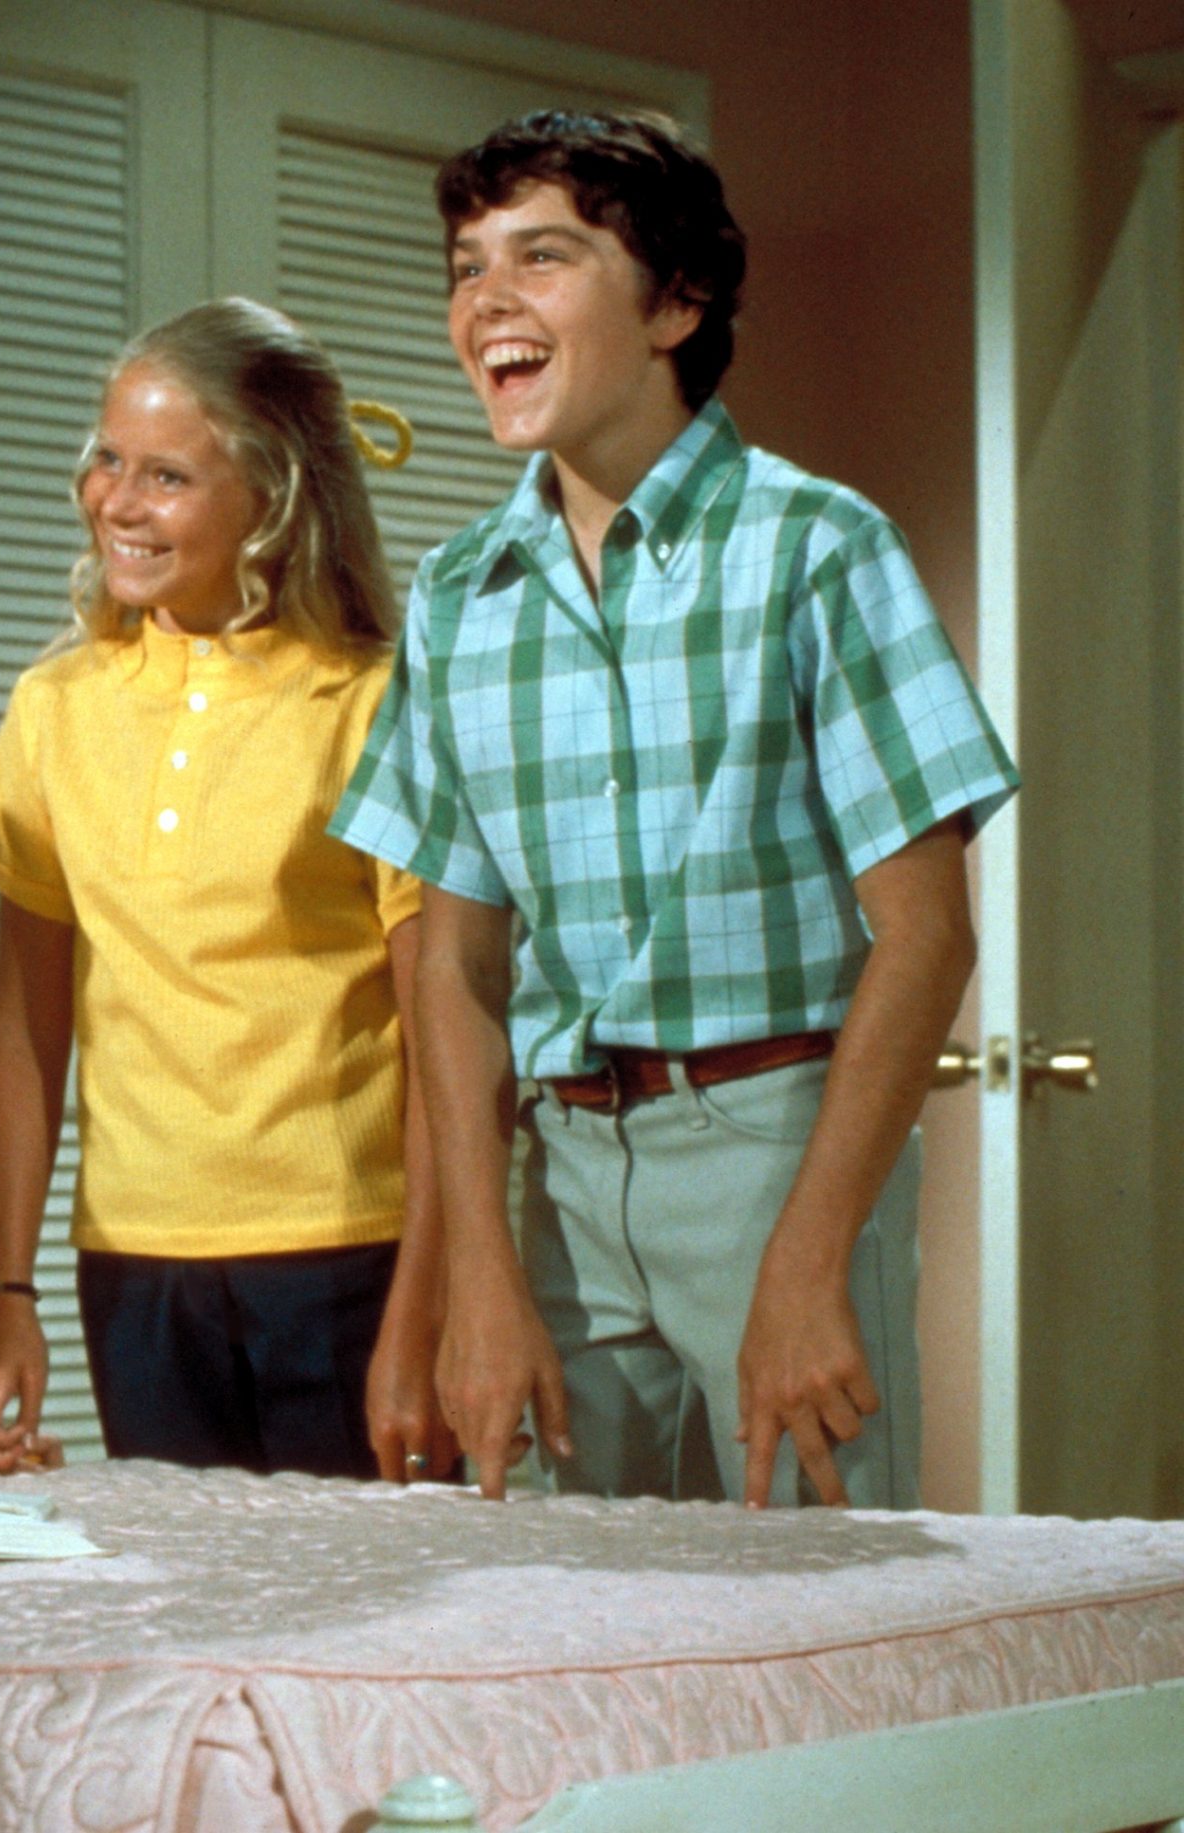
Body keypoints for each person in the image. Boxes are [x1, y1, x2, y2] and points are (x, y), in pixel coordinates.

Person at [328, 111, 1018, 1510]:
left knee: (817, 1603)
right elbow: (455, 968)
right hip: (564, 1178)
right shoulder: (461, 596)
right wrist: (479, 1275)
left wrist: (810, 1262)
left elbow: (927, 937)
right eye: (466, 267)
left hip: (776, 1150)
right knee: (570, 1607)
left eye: (542, 257)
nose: (487, 300)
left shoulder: (817, 549)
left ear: (677, 303)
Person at [0, 298, 451, 1485]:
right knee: (187, 1589)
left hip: (352, 1257)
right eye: (107, 461)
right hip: (133, 1269)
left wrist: (429, 1308)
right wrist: (8, 1294)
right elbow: (25, 1023)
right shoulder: (52, 710)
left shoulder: (374, 703)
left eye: (166, 476)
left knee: (379, 1592)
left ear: (273, 496)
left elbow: (445, 1037)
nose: (117, 503)